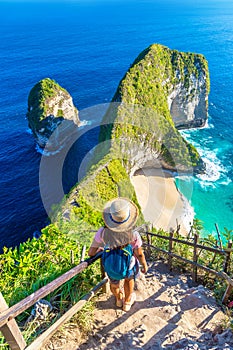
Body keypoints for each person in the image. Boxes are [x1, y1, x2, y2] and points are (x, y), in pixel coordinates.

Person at [88, 197, 148, 312]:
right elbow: (139, 253)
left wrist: (101, 249)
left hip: (111, 266)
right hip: (129, 265)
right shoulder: (133, 234)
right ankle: (127, 302)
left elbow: (91, 253)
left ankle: (119, 299)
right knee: (129, 281)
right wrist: (144, 264)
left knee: (114, 284)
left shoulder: (102, 232)